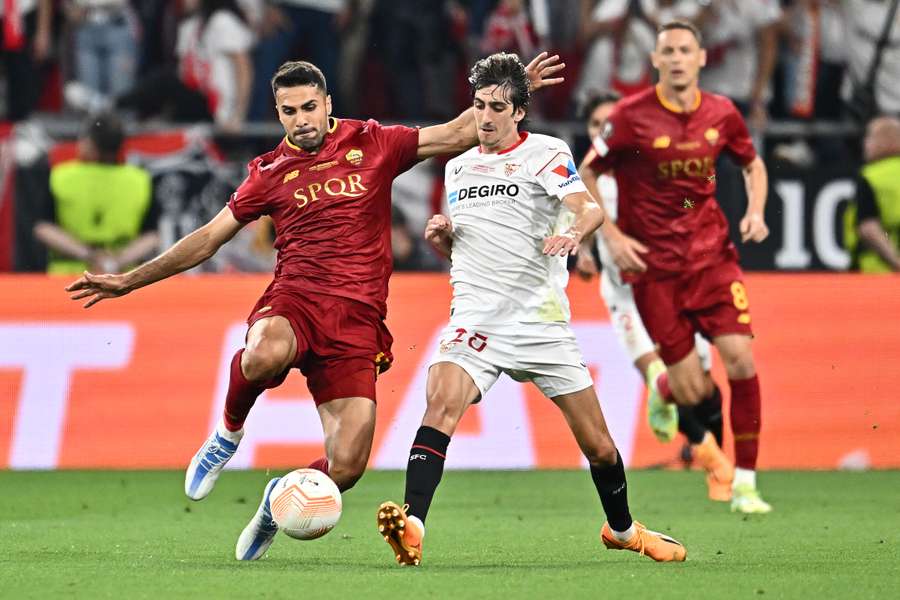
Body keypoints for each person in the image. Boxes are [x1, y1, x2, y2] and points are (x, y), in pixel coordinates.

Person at [66, 54, 565, 560]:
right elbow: (209, 239)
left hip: (358, 322)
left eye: (309, 107)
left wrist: (516, 85)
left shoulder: (372, 143)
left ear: (328, 104)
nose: (300, 119)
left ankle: (273, 505)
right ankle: (227, 434)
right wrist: (130, 280)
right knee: (263, 352)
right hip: (296, 300)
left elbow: (459, 133)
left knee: (347, 466)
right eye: (288, 111)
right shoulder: (267, 173)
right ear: (278, 113)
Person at [376, 53, 687, 567]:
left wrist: (571, 231)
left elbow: (588, 208)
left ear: (519, 112)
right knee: (440, 403)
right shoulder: (457, 167)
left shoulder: (545, 153)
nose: (486, 117)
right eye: (478, 105)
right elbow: (470, 247)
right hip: (475, 317)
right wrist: (443, 240)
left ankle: (624, 530)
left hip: (539, 323)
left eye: (497, 107)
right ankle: (412, 527)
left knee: (601, 448)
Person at [578, 20, 772, 514]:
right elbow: (584, 174)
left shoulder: (723, 113)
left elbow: (751, 162)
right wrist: (609, 236)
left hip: (711, 260)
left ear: (702, 57)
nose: (679, 58)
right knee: (689, 389)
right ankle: (682, 416)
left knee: (740, 361)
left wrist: (754, 211)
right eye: (669, 51)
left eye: (687, 49)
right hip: (649, 273)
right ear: (656, 60)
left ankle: (744, 479)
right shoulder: (629, 118)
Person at [575, 90, 729, 492]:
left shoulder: (653, 170)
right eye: (595, 125)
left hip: (673, 288)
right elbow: (573, 223)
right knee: (658, 374)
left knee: (701, 384)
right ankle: (712, 460)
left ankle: (712, 454)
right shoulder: (580, 180)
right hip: (623, 294)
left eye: (609, 123)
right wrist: (585, 253)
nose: (603, 131)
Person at [34, 112, 158, 275]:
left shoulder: (60, 176)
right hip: (122, 276)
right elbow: (152, 236)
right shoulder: (140, 180)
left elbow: (43, 228)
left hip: (67, 274)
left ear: (90, 144)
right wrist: (115, 261)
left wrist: (89, 254)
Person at [845, 116, 900, 273]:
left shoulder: (872, 176)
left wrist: (896, 262)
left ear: (886, 140)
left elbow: (868, 227)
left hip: (876, 273)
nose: (865, 144)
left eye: (870, 137)